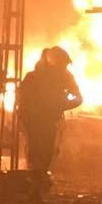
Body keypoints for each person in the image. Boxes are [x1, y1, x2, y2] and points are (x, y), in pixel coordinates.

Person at [16, 46, 82, 189]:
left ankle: (38, 183)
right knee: (36, 151)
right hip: (33, 120)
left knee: (46, 151)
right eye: (62, 64)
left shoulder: (65, 76)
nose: (64, 68)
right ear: (54, 63)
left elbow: (78, 98)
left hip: (49, 120)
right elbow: (22, 100)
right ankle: (35, 185)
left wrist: (61, 105)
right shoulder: (33, 77)